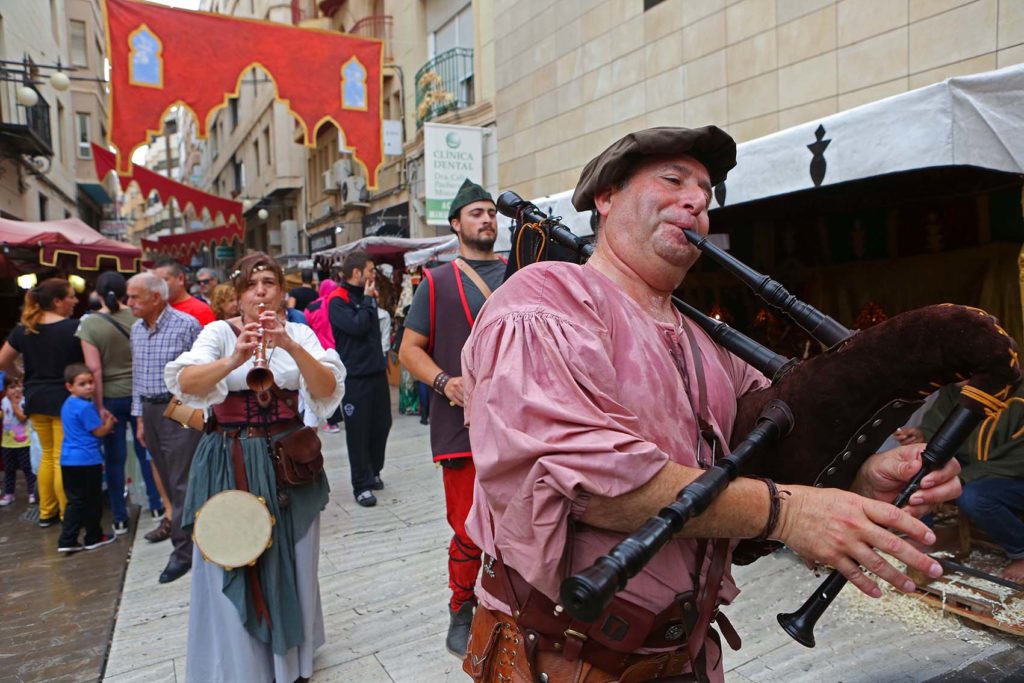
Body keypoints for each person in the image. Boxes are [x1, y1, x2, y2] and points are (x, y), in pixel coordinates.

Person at [459, 127, 964, 683]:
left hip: (683, 657)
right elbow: (589, 483)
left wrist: (864, 479)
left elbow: (772, 461)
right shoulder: (545, 303)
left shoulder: (707, 343)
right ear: (606, 198)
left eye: (705, 191)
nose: (697, 200)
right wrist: (790, 512)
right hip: (562, 661)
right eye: (673, 181)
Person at [166, 251, 344, 682]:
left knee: (296, 557)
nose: (260, 292)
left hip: (288, 462)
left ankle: (291, 663)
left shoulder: (298, 332)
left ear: (282, 292)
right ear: (238, 296)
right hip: (230, 459)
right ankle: (242, 666)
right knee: (234, 554)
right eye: (251, 285)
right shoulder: (217, 334)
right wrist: (233, 360)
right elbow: (185, 383)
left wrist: (290, 346)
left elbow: (326, 388)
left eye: (268, 283)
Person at [398, 178, 505, 656]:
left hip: (519, 424)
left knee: (524, 521)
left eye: (491, 212)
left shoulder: (521, 272)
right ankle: (461, 609)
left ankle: (509, 605)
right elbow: (408, 351)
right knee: (466, 526)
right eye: (476, 212)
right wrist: (446, 382)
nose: (487, 219)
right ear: (457, 224)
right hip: (459, 425)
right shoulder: (437, 282)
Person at [896, 383, 1024, 582]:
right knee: (919, 470)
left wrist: (965, 476)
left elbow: (1018, 459)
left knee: (973, 497)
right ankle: (925, 534)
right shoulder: (956, 390)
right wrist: (923, 435)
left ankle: (1021, 551)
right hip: (974, 467)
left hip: (1014, 475)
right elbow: (939, 422)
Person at [127, 272, 203, 584]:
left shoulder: (186, 325)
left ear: (155, 297)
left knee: (183, 479)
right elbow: (137, 375)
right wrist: (140, 418)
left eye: (134, 297)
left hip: (179, 407)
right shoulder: (136, 329)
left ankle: (183, 553)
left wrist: (193, 407)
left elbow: (202, 370)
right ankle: (191, 543)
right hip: (149, 408)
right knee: (169, 481)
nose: (128, 302)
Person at [78, 272, 164, 536]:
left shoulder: (90, 324)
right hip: (142, 393)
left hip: (112, 397)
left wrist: (99, 405)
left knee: (115, 460)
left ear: (99, 294)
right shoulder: (138, 317)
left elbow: (95, 370)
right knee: (147, 453)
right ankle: (157, 505)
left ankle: (119, 517)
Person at [0, 278, 83, 527]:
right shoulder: (74, 328)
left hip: (35, 398)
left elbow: (3, 361)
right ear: (57, 301)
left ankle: (47, 512)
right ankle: (67, 514)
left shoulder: (25, 328)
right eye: (71, 296)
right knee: (61, 456)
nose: (75, 301)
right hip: (64, 400)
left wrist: (19, 376)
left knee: (47, 456)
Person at [329, 251, 392, 507]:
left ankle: (374, 469)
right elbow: (357, 326)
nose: (372, 275)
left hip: (377, 373)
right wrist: (367, 300)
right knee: (358, 432)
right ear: (357, 273)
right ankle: (361, 484)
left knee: (382, 424)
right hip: (355, 378)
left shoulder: (367, 298)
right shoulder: (337, 300)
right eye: (370, 271)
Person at [57, 363, 117, 553]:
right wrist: (109, 423)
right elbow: (99, 431)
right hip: (87, 459)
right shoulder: (85, 407)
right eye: (82, 384)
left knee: (75, 501)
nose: (89, 387)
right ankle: (93, 536)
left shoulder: (68, 404)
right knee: (92, 500)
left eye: (90, 382)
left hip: (68, 459)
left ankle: (67, 539)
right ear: (70, 386)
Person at [305, 278, 344, 433]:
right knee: (342, 381)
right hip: (340, 349)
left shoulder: (313, 307)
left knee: (329, 387)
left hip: (321, 352)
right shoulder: (338, 304)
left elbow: (306, 324)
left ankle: (333, 422)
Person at [1, 379, 35, 506]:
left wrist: (15, 404)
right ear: (5, 390)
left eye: (19, 386)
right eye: (11, 387)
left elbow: (22, 418)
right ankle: (9, 494)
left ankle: (32, 492)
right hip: (7, 442)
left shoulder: (24, 401)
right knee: (9, 469)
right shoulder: (3, 401)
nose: (16, 389)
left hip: (24, 442)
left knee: (27, 468)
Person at [152, 258, 216, 326]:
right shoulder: (155, 309)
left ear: (180, 279)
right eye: (156, 281)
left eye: (165, 280)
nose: (159, 285)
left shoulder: (200, 310)